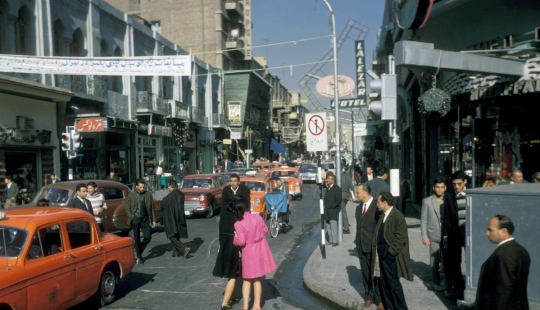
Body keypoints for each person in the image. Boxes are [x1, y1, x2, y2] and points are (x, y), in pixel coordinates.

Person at [474, 215, 530, 310]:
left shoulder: (503, 255)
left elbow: (502, 293)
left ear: (504, 231)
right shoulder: (521, 250)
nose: (487, 233)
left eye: (490, 230)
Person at [233, 198, 276, 310]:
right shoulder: (257, 217)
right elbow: (265, 231)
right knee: (257, 280)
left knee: (247, 280)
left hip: (249, 251)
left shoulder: (238, 223)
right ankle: (257, 305)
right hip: (260, 249)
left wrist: (235, 239)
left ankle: (246, 306)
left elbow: (241, 241)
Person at [372, 192, 413, 310]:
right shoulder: (383, 215)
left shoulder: (397, 216)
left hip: (390, 257)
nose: (377, 205)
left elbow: (401, 238)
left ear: (385, 203)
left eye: (379, 202)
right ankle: (390, 307)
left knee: (394, 284)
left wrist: (390, 252)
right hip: (382, 255)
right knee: (384, 284)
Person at [213, 196, 244, 310]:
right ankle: (225, 303)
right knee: (233, 275)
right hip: (233, 247)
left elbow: (221, 233)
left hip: (225, 246)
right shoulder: (238, 218)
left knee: (230, 273)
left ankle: (233, 294)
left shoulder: (224, 216)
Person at [355, 183, 382, 309]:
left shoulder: (377, 206)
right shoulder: (358, 208)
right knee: (365, 273)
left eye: (358, 192)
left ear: (365, 193)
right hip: (361, 246)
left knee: (376, 274)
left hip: (373, 246)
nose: (356, 194)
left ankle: (381, 299)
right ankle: (369, 296)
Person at [442, 171, 467, 299]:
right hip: (454, 233)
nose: (456, 187)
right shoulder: (449, 196)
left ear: (465, 182)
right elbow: (445, 217)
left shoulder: (471, 195)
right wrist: (445, 235)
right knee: (454, 263)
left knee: (470, 261)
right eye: (454, 184)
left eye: (458, 184)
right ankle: (459, 288)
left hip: (468, 233)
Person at [420, 177, 446, 292]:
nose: (439, 190)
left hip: (447, 236)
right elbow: (423, 220)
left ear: (445, 188)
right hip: (433, 235)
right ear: (433, 188)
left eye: (442, 187)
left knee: (447, 261)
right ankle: (435, 282)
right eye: (437, 187)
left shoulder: (448, 199)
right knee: (434, 262)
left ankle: (447, 283)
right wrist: (424, 236)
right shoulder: (427, 201)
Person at [126, 178, 156, 265]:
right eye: (140, 187)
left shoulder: (148, 195)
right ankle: (139, 257)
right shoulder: (131, 195)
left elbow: (151, 208)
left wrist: (153, 220)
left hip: (145, 218)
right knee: (137, 238)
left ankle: (139, 249)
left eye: (143, 187)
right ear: (136, 187)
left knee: (148, 237)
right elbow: (127, 207)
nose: (142, 189)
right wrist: (132, 216)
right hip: (135, 218)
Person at [160, 180, 190, 259]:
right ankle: (175, 253)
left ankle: (184, 248)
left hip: (170, 219)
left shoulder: (166, 199)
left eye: (168, 186)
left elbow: (163, 211)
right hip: (179, 217)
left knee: (171, 236)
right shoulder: (181, 194)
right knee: (176, 235)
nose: (168, 188)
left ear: (170, 186)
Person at [324, 174, 342, 246]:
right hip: (327, 210)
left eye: (328, 179)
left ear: (332, 180)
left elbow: (338, 200)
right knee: (328, 225)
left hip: (333, 210)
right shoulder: (328, 188)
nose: (327, 180)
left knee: (333, 225)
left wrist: (332, 206)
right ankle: (330, 240)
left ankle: (335, 241)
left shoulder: (337, 189)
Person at [340, 167, 354, 234]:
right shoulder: (348, 177)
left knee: (343, 211)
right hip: (346, 195)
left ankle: (346, 228)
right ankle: (343, 223)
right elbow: (351, 186)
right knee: (343, 209)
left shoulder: (338, 176)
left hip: (340, 195)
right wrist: (353, 194)